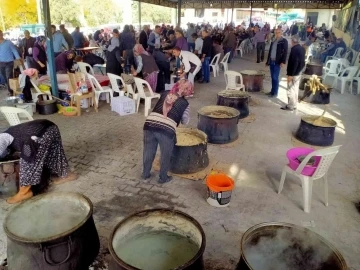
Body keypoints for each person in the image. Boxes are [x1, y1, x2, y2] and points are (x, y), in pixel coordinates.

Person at [0, 120, 77, 204]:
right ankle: (65, 175)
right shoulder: (7, 133)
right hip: (50, 127)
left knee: (28, 161)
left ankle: (24, 193)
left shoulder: (2, 139)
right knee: (53, 153)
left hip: (35, 136)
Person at [142, 80, 192, 184]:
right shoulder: (185, 104)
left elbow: (159, 107)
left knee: (148, 151)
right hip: (166, 130)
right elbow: (185, 121)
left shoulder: (165, 93)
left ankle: (145, 174)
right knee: (166, 154)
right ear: (188, 91)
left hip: (149, 124)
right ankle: (163, 178)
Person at [281, 35, 305, 111]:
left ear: (293, 41)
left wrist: (291, 74)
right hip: (299, 72)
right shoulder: (302, 48)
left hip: (294, 73)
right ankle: (294, 105)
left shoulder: (294, 49)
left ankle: (290, 106)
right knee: (295, 89)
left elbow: (295, 62)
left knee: (290, 89)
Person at [266, 28, 288, 98]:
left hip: (277, 62)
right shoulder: (274, 40)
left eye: (278, 32)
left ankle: (275, 92)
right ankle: (272, 91)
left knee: (275, 77)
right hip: (272, 61)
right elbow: (270, 51)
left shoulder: (284, 41)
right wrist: (267, 61)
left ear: (281, 33)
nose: (277, 34)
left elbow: (285, 52)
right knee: (272, 77)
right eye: (276, 33)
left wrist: (283, 62)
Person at [0, 30, 21, 95]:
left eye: (0, 34)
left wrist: (18, 58)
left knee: (9, 76)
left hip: (9, 62)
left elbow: (14, 50)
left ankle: (11, 91)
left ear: (2, 34)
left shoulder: (8, 42)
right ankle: (10, 88)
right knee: (4, 76)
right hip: (1, 63)